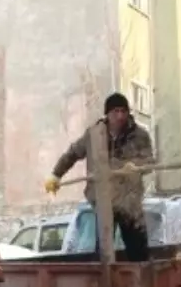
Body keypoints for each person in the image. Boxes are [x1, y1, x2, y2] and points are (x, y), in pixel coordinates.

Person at [44, 92, 155, 261]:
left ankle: (140, 281)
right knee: (104, 252)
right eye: (115, 111)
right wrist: (55, 175)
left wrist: (135, 166)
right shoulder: (94, 135)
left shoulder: (139, 135)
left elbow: (149, 161)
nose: (120, 116)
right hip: (104, 201)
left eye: (124, 111)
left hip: (129, 202)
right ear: (107, 114)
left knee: (138, 251)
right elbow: (72, 154)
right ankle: (105, 283)